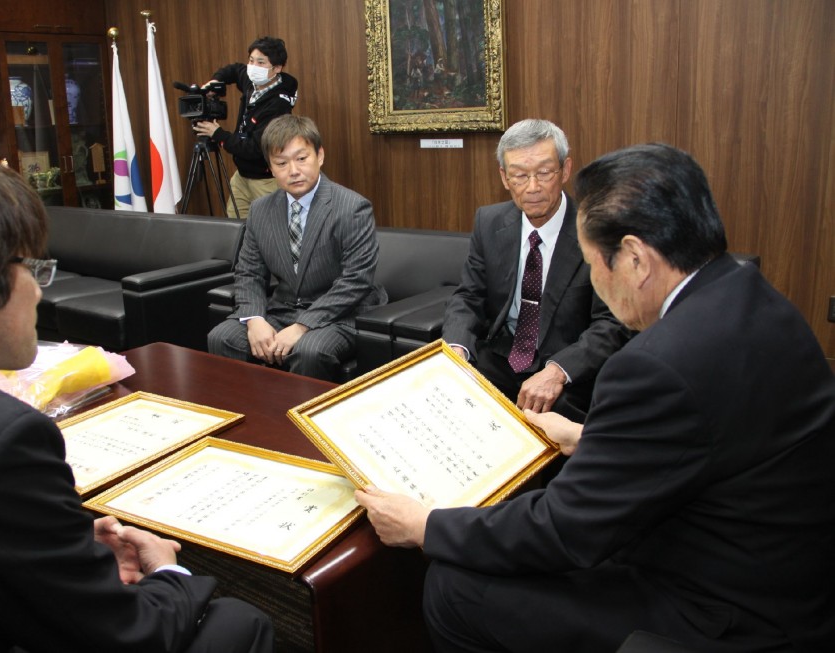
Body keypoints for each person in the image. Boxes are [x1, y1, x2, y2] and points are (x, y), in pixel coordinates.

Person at [356, 143, 835, 651]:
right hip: (790, 571)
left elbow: (563, 531)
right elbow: (717, 431)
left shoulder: (655, 365)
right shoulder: (753, 295)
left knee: (455, 588)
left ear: (633, 258)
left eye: (590, 263)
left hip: (724, 608)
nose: (597, 282)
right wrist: (586, 438)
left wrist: (425, 525)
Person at [0, 149, 274, 653]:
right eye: (28, 266)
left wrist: (59, 549)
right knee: (236, 621)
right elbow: (130, 636)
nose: (37, 289)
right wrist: (171, 569)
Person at [443, 118, 628, 422]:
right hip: (501, 356)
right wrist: (457, 350)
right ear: (504, 177)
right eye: (519, 175)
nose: (532, 188)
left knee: (551, 431)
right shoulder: (489, 222)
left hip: (565, 366)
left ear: (565, 170)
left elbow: (612, 324)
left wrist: (558, 371)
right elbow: (468, 297)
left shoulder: (600, 230)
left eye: (544, 173)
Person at [208, 114, 386, 382]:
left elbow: (356, 281)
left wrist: (303, 325)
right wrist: (254, 319)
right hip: (283, 310)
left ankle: (298, 424)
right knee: (222, 337)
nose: (293, 170)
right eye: (281, 163)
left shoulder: (352, 207)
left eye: (302, 159)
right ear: (270, 167)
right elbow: (248, 273)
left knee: (310, 350)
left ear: (320, 156)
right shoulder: (261, 210)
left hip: (341, 313)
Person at [193, 36, 298, 219]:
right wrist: (215, 82)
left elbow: (255, 148)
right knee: (236, 228)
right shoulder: (252, 82)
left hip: (266, 180)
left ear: (277, 68)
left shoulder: (278, 106)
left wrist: (218, 134)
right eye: (251, 60)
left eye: (261, 62)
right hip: (241, 176)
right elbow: (234, 70)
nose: (253, 67)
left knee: (270, 233)